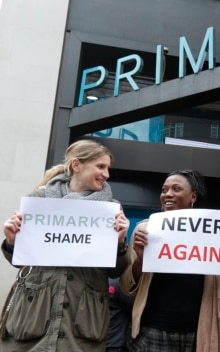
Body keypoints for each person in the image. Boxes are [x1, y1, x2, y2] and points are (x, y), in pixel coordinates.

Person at [0, 139, 131, 351]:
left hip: (82, 321)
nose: (107, 174)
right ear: (77, 165)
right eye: (100, 166)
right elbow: (20, 261)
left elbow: (116, 270)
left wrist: (120, 243)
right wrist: (11, 242)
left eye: (108, 168)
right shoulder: (38, 199)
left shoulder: (112, 208)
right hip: (33, 315)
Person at [119, 169, 220, 351]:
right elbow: (126, 287)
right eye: (164, 190)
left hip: (200, 331)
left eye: (176, 189)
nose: (168, 194)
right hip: (154, 329)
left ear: (193, 197)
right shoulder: (146, 230)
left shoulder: (215, 231)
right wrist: (140, 260)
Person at [107, 278, 135, 352]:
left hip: (100, 340)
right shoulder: (118, 283)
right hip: (116, 342)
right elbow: (134, 310)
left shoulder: (95, 282)